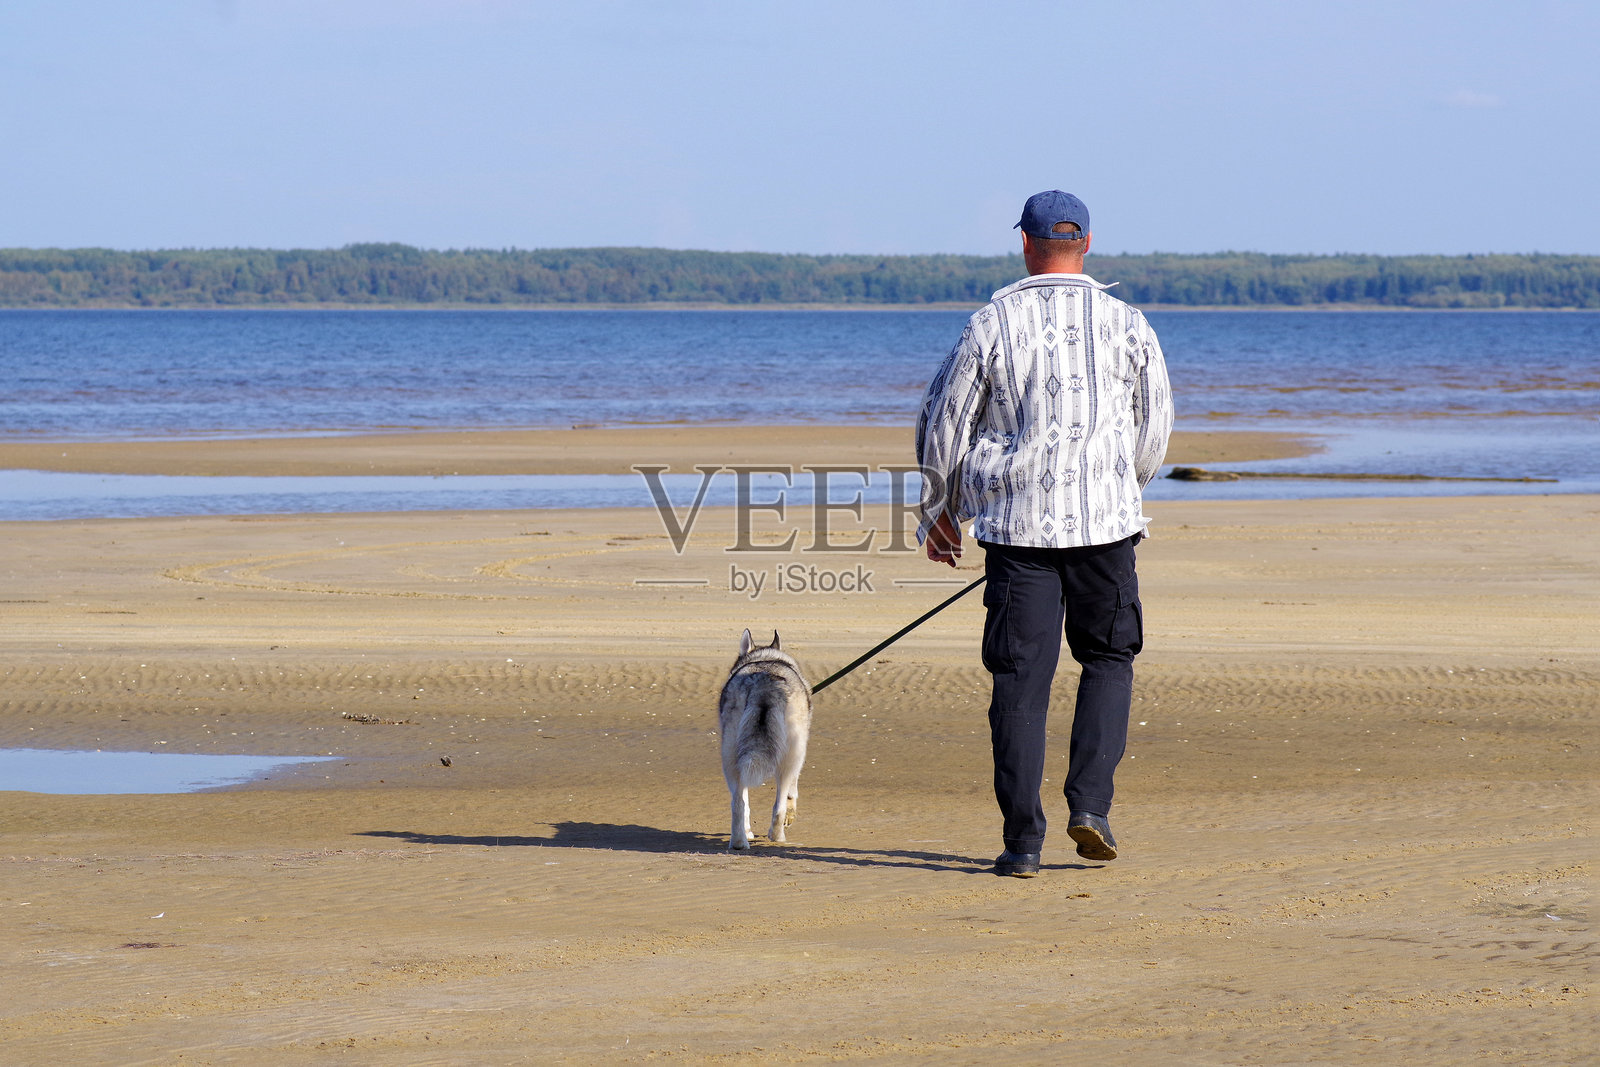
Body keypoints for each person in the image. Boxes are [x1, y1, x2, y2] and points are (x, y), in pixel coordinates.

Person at [915, 190, 1173, 877]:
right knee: (1108, 659)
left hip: (1018, 530)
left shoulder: (992, 322)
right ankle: (1089, 805)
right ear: (1086, 244)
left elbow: (944, 421)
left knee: (1020, 683)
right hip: (1106, 528)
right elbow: (1155, 430)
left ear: (1027, 244)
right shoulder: (1128, 323)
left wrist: (941, 510)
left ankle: (1022, 841)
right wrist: (1122, 487)